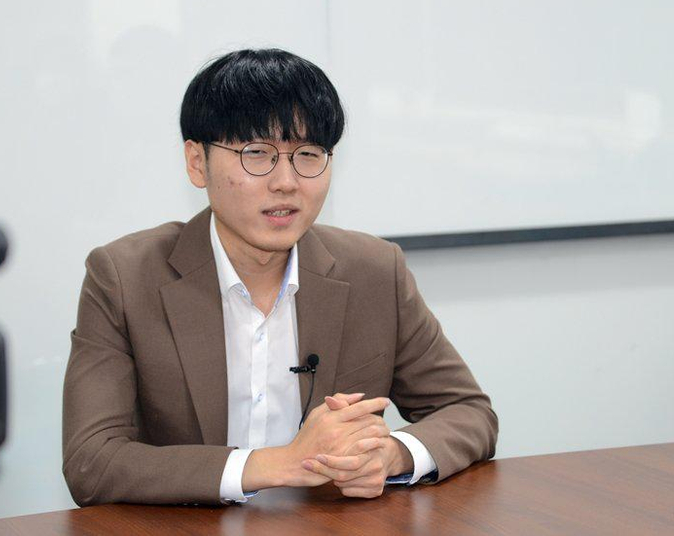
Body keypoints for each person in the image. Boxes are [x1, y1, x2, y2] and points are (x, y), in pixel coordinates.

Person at [62, 48, 498, 506]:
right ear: (197, 162)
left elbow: (468, 411)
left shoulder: (374, 271)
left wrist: (393, 454)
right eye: (257, 154)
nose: (287, 182)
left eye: (308, 155)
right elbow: (92, 461)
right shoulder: (124, 277)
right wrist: (278, 464)